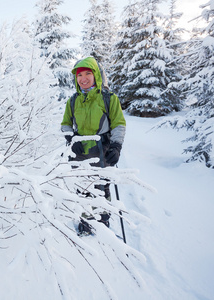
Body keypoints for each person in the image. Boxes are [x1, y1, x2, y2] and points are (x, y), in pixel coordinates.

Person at [61, 56, 126, 235]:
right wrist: (71, 140)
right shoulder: (73, 100)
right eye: (79, 75)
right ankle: (85, 222)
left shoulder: (109, 98)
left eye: (88, 73)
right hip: (80, 152)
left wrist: (116, 146)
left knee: (102, 187)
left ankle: (102, 222)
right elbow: (65, 124)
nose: (83, 78)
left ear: (96, 74)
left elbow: (119, 124)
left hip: (102, 150)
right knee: (82, 188)